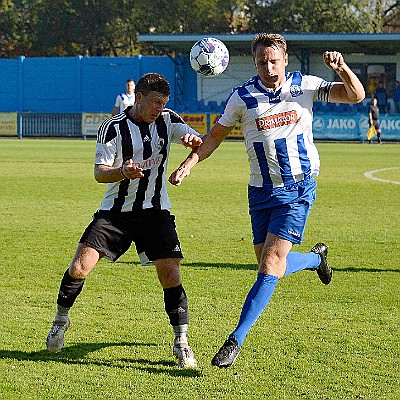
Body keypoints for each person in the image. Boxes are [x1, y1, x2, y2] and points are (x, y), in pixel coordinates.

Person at [169, 33, 365, 368]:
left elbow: (355, 95)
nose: (269, 66)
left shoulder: (304, 85)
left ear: (285, 60)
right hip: (260, 192)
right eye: (262, 61)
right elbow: (214, 137)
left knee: (270, 264)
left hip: (298, 188)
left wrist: (342, 68)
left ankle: (235, 340)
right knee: (269, 265)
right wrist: (189, 163)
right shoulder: (242, 97)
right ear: (255, 62)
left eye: (274, 60)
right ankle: (317, 260)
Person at [46, 73, 203, 368]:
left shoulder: (167, 118)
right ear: (139, 98)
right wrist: (122, 172)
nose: (159, 108)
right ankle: (61, 319)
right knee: (80, 267)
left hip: (155, 211)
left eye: (163, 103)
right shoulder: (113, 128)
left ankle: (181, 341)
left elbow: (190, 137)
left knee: (170, 272)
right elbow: (99, 173)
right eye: (155, 102)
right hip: (115, 214)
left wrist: (191, 140)